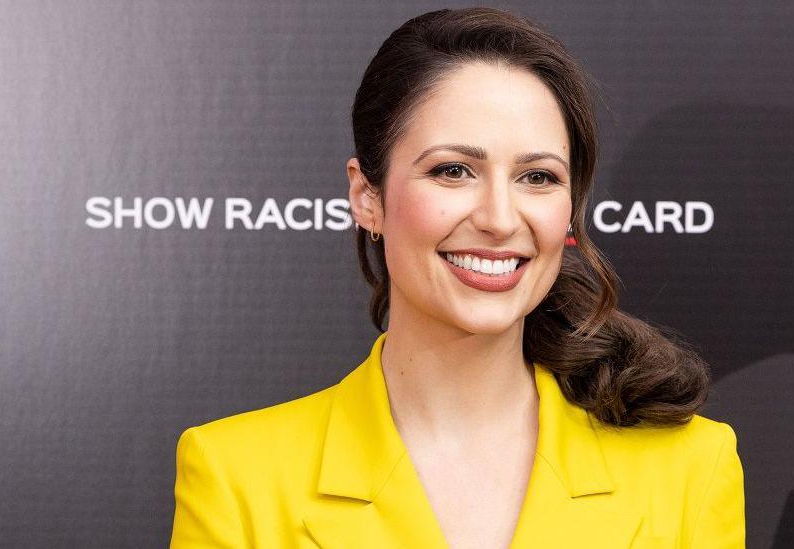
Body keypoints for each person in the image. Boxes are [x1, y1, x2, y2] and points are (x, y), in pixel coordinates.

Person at [170, 7, 744, 548]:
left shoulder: (692, 465)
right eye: (453, 170)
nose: (498, 219)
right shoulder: (235, 476)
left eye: (538, 177)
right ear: (367, 196)